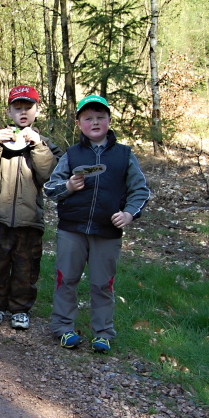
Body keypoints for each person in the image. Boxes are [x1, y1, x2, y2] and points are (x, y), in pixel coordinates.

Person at [44, 95, 149, 353]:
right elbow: (50, 188)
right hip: (72, 229)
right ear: (79, 123)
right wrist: (69, 186)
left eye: (100, 117)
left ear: (109, 121)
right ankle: (63, 328)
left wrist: (128, 214)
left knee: (102, 284)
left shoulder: (124, 155)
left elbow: (140, 191)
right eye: (88, 118)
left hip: (107, 232)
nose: (95, 122)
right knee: (66, 279)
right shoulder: (72, 154)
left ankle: (102, 333)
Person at [0, 86, 61, 331]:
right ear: (9, 111)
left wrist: (38, 145)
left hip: (29, 219)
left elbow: (50, 175)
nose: (23, 112)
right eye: (18, 108)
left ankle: (20, 310)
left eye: (28, 108)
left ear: (37, 111)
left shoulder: (46, 144)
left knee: (26, 268)